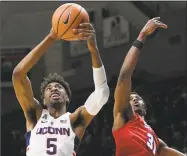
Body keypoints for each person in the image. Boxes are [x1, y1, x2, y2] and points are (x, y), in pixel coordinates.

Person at [12, 23, 109, 156]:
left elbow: (102, 93)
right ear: (44, 101)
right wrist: (51, 38)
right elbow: (18, 75)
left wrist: (93, 49)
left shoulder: (75, 120)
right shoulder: (35, 115)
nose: (54, 89)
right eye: (49, 88)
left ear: (67, 97)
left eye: (58, 87)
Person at [112, 17, 185, 156]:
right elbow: (124, 76)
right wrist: (142, 36)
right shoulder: (123, 114)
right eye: (130, 98)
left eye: (137, 98)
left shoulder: (155, 141)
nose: (133, 100)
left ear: (144, 106)